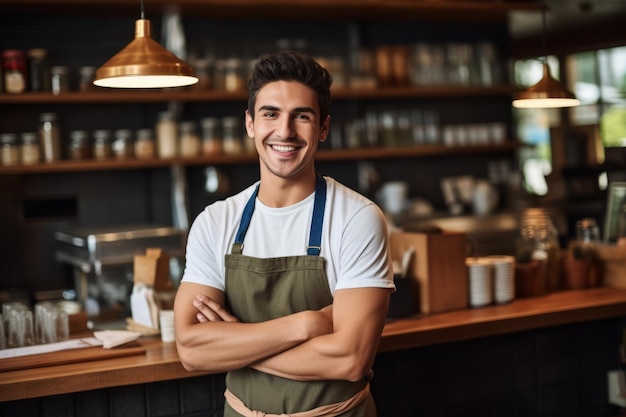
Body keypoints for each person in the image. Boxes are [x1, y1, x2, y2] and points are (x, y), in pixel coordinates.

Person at [174, 50, 395, 417]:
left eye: (302, 116)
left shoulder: (357, 219)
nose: (285, 131)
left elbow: (350, 359)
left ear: (323, 128)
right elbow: (192, 351)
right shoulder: (215, 221)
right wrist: (308, 324)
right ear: (250, 123)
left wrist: (240, 342)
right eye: (271, 114)